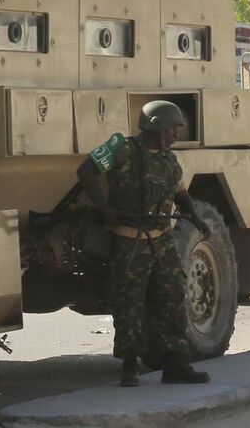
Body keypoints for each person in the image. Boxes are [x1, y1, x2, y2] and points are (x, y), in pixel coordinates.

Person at [75, 101, 211, 388]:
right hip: (129, 241)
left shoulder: (169, 161)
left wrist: (196, 218)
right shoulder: (119, 148)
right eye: (173, 128)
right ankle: (129, 364)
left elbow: (180, 194)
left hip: (162, 243)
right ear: (158, 126)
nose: (176, 134)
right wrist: (104, 208)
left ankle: (175, 362)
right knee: (129, 304)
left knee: (172, 299)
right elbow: (85, 171)